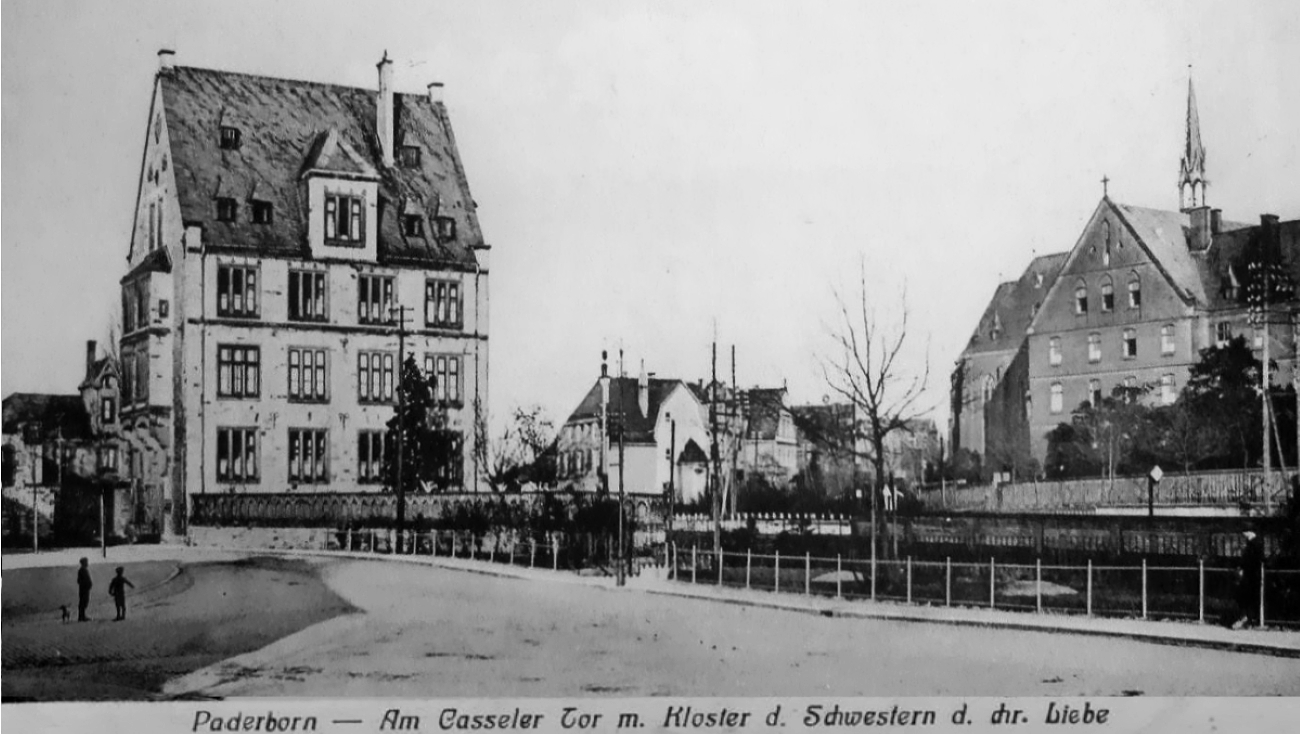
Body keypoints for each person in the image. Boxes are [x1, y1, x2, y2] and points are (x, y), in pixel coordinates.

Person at [1233, 530, 1265, 629]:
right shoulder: (1253, 543)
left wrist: (1242, 567)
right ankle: (1248, 620)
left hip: (1251, 576)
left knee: (1247, 598)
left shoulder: (1254, 544)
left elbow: (1251, 560)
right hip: (1251, 575)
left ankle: (1247, 618)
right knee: (1247, 598)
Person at [76, 557, 93, 622]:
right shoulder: (82, 570)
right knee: (83, 602)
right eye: (86, 562)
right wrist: (86, 585)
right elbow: (79, 580)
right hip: (84, 589)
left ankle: (82, 616)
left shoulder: (83, 570)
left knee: (84, 602)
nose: (87, 563)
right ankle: (81, 616)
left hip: (84, 589)